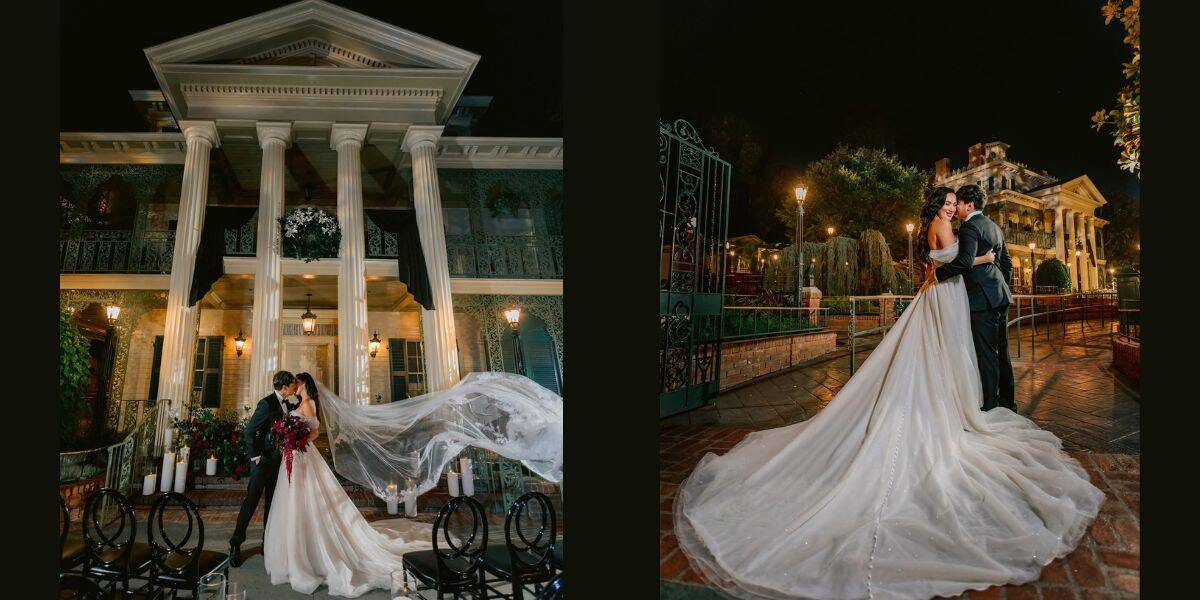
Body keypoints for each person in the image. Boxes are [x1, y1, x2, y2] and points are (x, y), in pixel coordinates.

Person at [673, 187, 1104, 600]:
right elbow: (949, 264)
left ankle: (951, 408)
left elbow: (948, 263)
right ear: (939, 205)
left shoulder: (950, 226)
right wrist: (977, 259)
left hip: (947, 297)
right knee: (939, 358)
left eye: (955, 204)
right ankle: (939, 413)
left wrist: (964, 261)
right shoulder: (939, 226)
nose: (953, 209)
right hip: (942, 298)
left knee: (953, 360)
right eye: (948, 203)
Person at [262, 371, 564, 597]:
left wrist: (299, 436)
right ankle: (297, 550)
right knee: (296, 504)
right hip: (296, 458)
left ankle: (313, 552)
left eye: (297, 384)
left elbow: (314, 431)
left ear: (303, 385)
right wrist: (289, 437)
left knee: (313, 502)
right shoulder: (296, 403)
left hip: (304, 454)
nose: (295, 388)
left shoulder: (310, 403)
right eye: (294, 386)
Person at [928, 183, 1016, 411]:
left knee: (986, 354)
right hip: (1000, 297)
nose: (955, 208)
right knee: (1002, 353)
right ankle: (1008, 402)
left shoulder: (969, 227)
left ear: (969, 205)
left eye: (957, 203)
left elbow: (964, 262)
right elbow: (1006, 264)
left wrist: (939, 273)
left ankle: (991, 405)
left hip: (980, 299)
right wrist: (1003, 288)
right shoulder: (994, 226)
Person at [229, 370, 299, 567]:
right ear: (284, 387)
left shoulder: (285, 403)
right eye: (292, 384)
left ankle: (266, 543)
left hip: (277, 462)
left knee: (272, 504)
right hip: (262, 463)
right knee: (250, 502)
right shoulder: (266, 403)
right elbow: (249, 430)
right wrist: (256, 457)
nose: (293, 387)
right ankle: (235, 544)